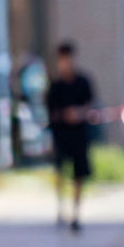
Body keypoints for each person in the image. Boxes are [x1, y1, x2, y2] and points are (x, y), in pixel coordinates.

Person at [44, 43, 101, 231]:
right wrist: (64, 115)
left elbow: (91, 106)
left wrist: (79, 113)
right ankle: (60, 209)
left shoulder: (82, 82)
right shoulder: (55, 86)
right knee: (60, 172)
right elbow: (50, 113)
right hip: (61, 135)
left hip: (79, 135)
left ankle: (76, 213)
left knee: (79, 175)